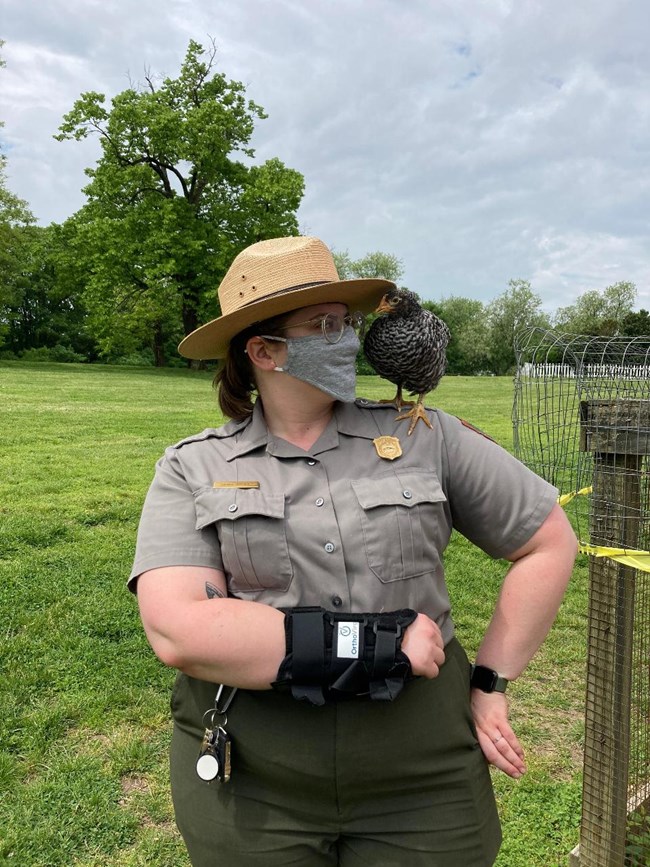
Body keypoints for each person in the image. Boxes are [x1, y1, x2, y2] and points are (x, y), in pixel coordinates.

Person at [130, 235, 577, 866]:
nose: (349, 339)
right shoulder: (194, 467)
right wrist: (379, 645)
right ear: (265, 351)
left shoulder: (428, 436)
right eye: (324, 325)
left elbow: (548, 541)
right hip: (255, 775)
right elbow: (180, 630)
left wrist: (491, 681)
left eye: (347, 322)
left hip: (424, 773)